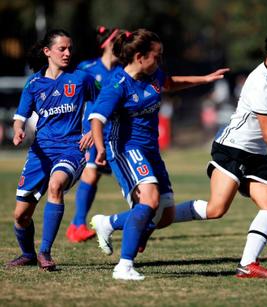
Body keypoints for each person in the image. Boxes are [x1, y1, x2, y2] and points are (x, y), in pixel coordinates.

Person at [171, 16, 267, 278]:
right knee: (216, 210)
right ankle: (157, 218)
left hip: (255, 156)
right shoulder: (262, 84)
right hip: (233, 149)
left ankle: (248, 264)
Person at [88, 28, 229, 281]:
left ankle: (108, 223)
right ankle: (124, 266)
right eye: (157, 56)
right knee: (149, 200)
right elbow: (97, 119)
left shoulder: (153, 75)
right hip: (125, 148)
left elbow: (170, 83)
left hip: (150, 150)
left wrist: (205, 79)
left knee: (165, 215)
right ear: (140, 56)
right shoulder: (117, 84)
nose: (160, 60)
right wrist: (99, 147)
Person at [6, 29, 96, 271]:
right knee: (20, 216)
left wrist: (92, 130)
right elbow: (20, 116)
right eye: (62, 49)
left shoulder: (81, 78)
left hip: (72, 149)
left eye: (69, 48)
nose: (67, 53)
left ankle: (45, 252)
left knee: (56, 186)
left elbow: (102, 105)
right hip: (40, 152)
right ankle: (28, 254)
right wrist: (18, 130)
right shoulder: (34, 83)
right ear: (47, 52)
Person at [66, 26, 122, 243]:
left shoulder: (123, 70)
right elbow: (73, 99)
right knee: (90, 174)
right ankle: (78, 225)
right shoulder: (87, 69)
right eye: (118, 41)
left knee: (101, 177)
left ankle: (76, 224)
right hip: (93, 132)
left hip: (116, 134)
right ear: (107, 43)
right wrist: (83, 129)